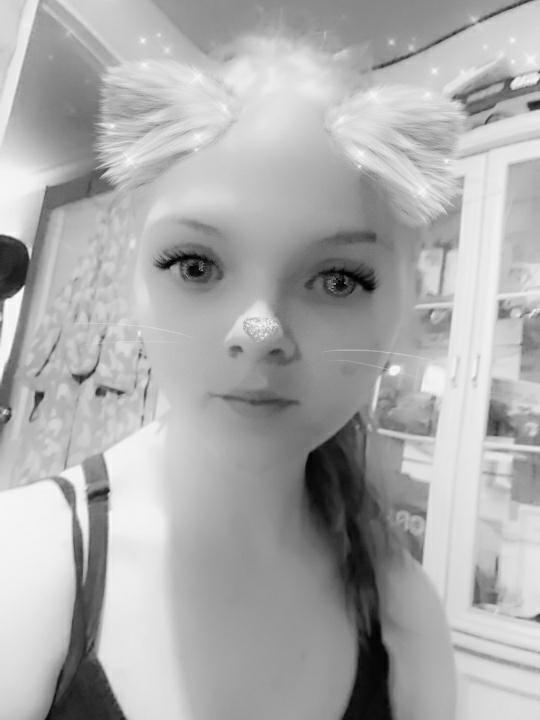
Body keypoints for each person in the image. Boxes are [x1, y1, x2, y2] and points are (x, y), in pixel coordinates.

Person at [0, 28, 465, 720]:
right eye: (196, 266)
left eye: (337, 279)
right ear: (133, 280)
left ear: (407, 303)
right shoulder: (22, 565)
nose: (259, 335)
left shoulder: (405, 615)